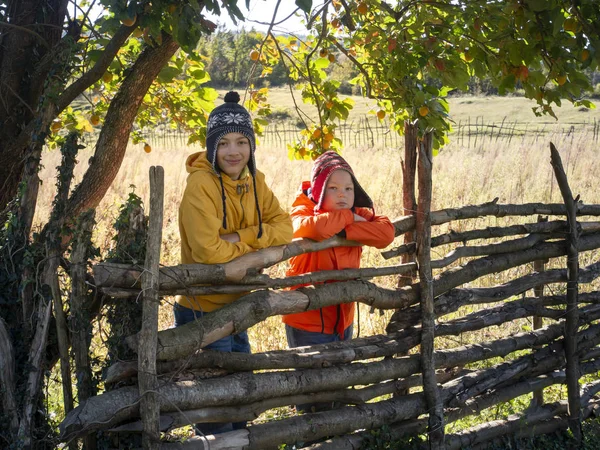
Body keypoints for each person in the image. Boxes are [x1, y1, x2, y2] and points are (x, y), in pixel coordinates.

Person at [176, 91, 293, 434]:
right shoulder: (200, 185)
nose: (233, 151)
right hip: (205, 309)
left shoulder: (255, 181)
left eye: (242, 141)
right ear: (212, 147)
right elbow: (209, 254)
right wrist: (258, 243)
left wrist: (242, 239)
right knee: (215, 411)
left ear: (251, 146)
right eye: (224, 142)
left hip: (240, 305)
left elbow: (285, 228)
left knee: (241, 396)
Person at [282, 151, 395, 411]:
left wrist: (348, 224)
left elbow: (386, 233)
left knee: (338, 382)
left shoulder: (359, 211)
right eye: (333, 188)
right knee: (314, 388)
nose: (342, 194)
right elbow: (316, 228)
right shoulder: (304, 207)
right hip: (307, 320)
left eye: (348, 188)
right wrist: (348, 221)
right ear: (319, 189)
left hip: (342, 318)